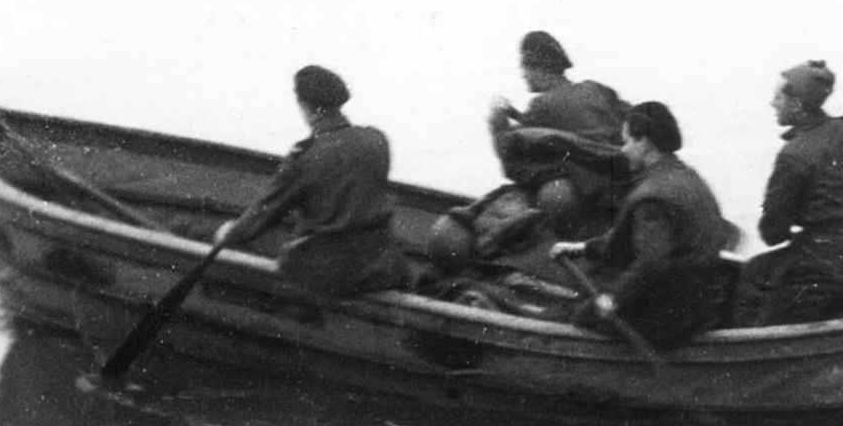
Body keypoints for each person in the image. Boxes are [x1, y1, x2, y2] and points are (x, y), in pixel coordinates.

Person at [427, 31, 628, 270]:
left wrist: (498, 123)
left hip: (581, 198)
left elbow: (513, 163)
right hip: (616, 191)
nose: (523, 74)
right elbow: (573, 129)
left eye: (525, 68)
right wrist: (516, 115)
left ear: (540, 69)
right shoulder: (595, 90)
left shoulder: (541, 106)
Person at [549, 102, 733, 348]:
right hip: (703, 302)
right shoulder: (688, 176)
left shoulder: (651, 196)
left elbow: (651, 263)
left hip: (672, 317)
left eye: (626, 142)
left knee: (580, 315)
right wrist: (583, 248)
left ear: (644, 142)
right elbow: (630, 242)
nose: (623, 150)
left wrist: (614, 299)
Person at [214, 65, 408, 296]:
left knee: (291, 259)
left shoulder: (305, 157)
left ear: (304, 106)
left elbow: (264, 213)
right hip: (384, 268)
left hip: (334, 276)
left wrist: (228, 234)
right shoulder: (377, 140)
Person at [741, 60, 843, 325]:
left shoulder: (793, 155)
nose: (772, 104)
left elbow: (772, 233)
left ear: (797, 105)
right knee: (760, 270)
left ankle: (751, 337)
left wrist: (791, 230)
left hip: (817, 265)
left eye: (778, 98)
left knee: (751, 276)